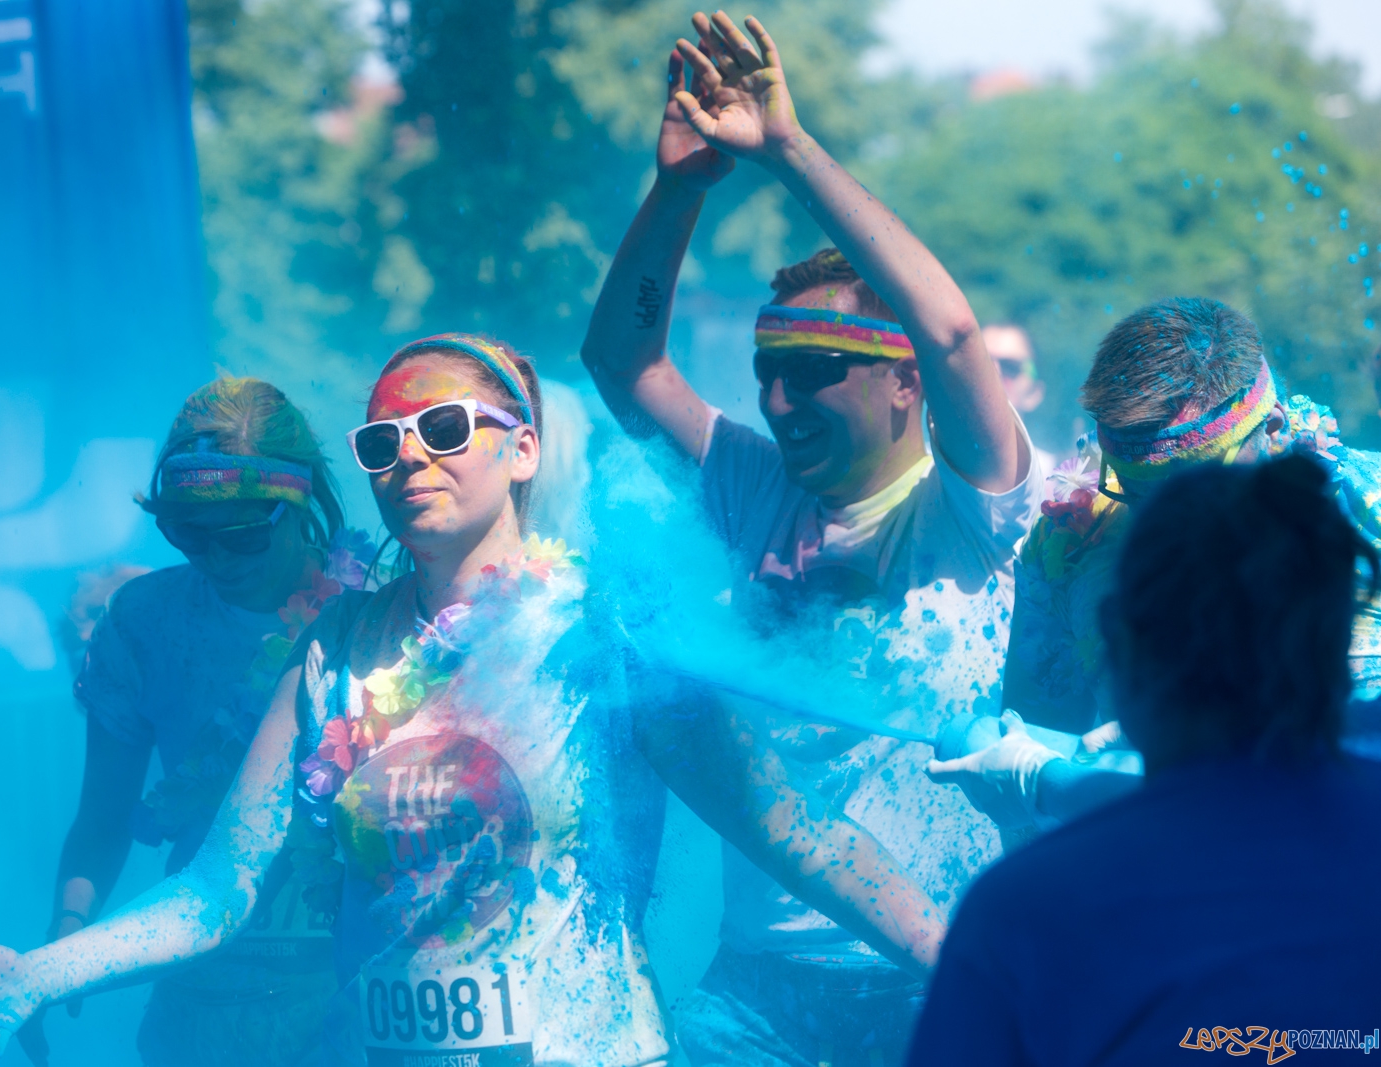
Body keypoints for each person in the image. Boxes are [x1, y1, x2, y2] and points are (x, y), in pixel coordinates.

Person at [0, 332, 946, 1067]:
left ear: (524, 448)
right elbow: (214, 892)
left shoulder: (602, 626)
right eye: (381, 442)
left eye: (445, 428)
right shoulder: (339, 645)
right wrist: (39, 971)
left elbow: (788, 828)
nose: (410, 456)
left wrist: (967, 955)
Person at [579, 12, 1040, 1065]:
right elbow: (622, 362)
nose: (781, 397)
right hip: (761, 988)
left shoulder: (978, 505)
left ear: (902, 381)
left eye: (818, 366)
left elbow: (956, 330)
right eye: (769, 369)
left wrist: (786, 148)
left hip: (944, 970)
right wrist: (680, 187)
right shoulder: (750, 487)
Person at [907, 454, 1381, 1066]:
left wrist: (1046, 781)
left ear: (1120, 643)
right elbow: (1246, 814)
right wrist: (1055, 782)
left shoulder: (1028, 914)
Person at [933, 298, 1381, 828]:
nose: (1170, 526)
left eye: (1195, 488)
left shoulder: (1367, 511)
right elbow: (1027, 756)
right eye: (1137, 492)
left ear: (1273, 427)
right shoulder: (1069, 547)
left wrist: (1064, 787)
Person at [35, 376, 369, 1067]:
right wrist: (57, 951)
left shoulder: (371, 609)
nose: (214, 558)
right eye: (186, 532)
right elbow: (102, 818)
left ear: (296, 501)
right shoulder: (145, 621)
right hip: (204, 1008)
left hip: (351, 1000)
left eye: (242, 536)